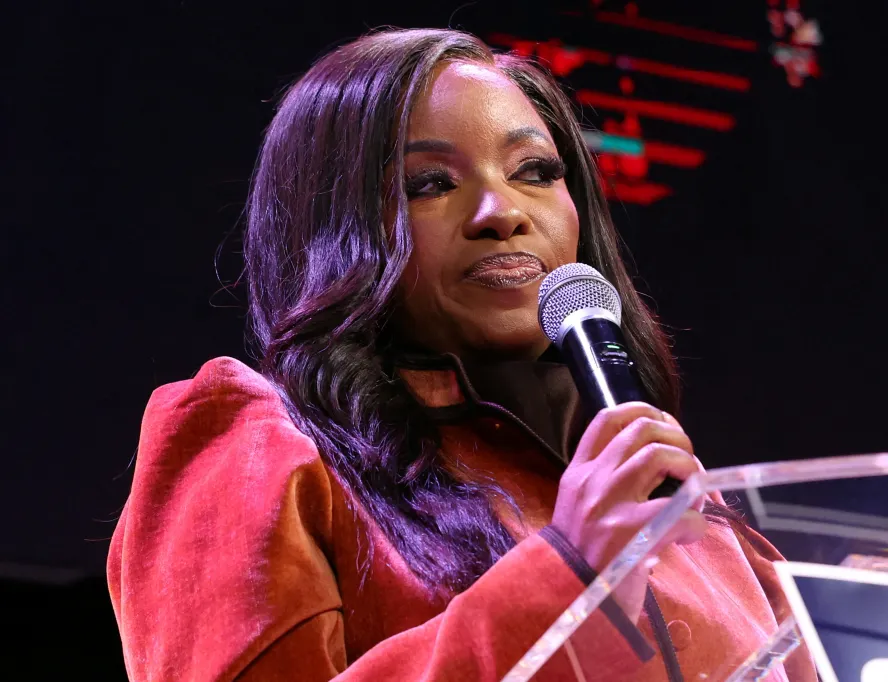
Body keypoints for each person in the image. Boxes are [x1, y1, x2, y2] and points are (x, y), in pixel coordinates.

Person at [107, 28, 815, 682]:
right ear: (337, 227)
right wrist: (566, 577)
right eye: (431, 184)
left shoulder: (683, 505)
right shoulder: (263, 445)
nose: (502, 212)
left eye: (534, 171)